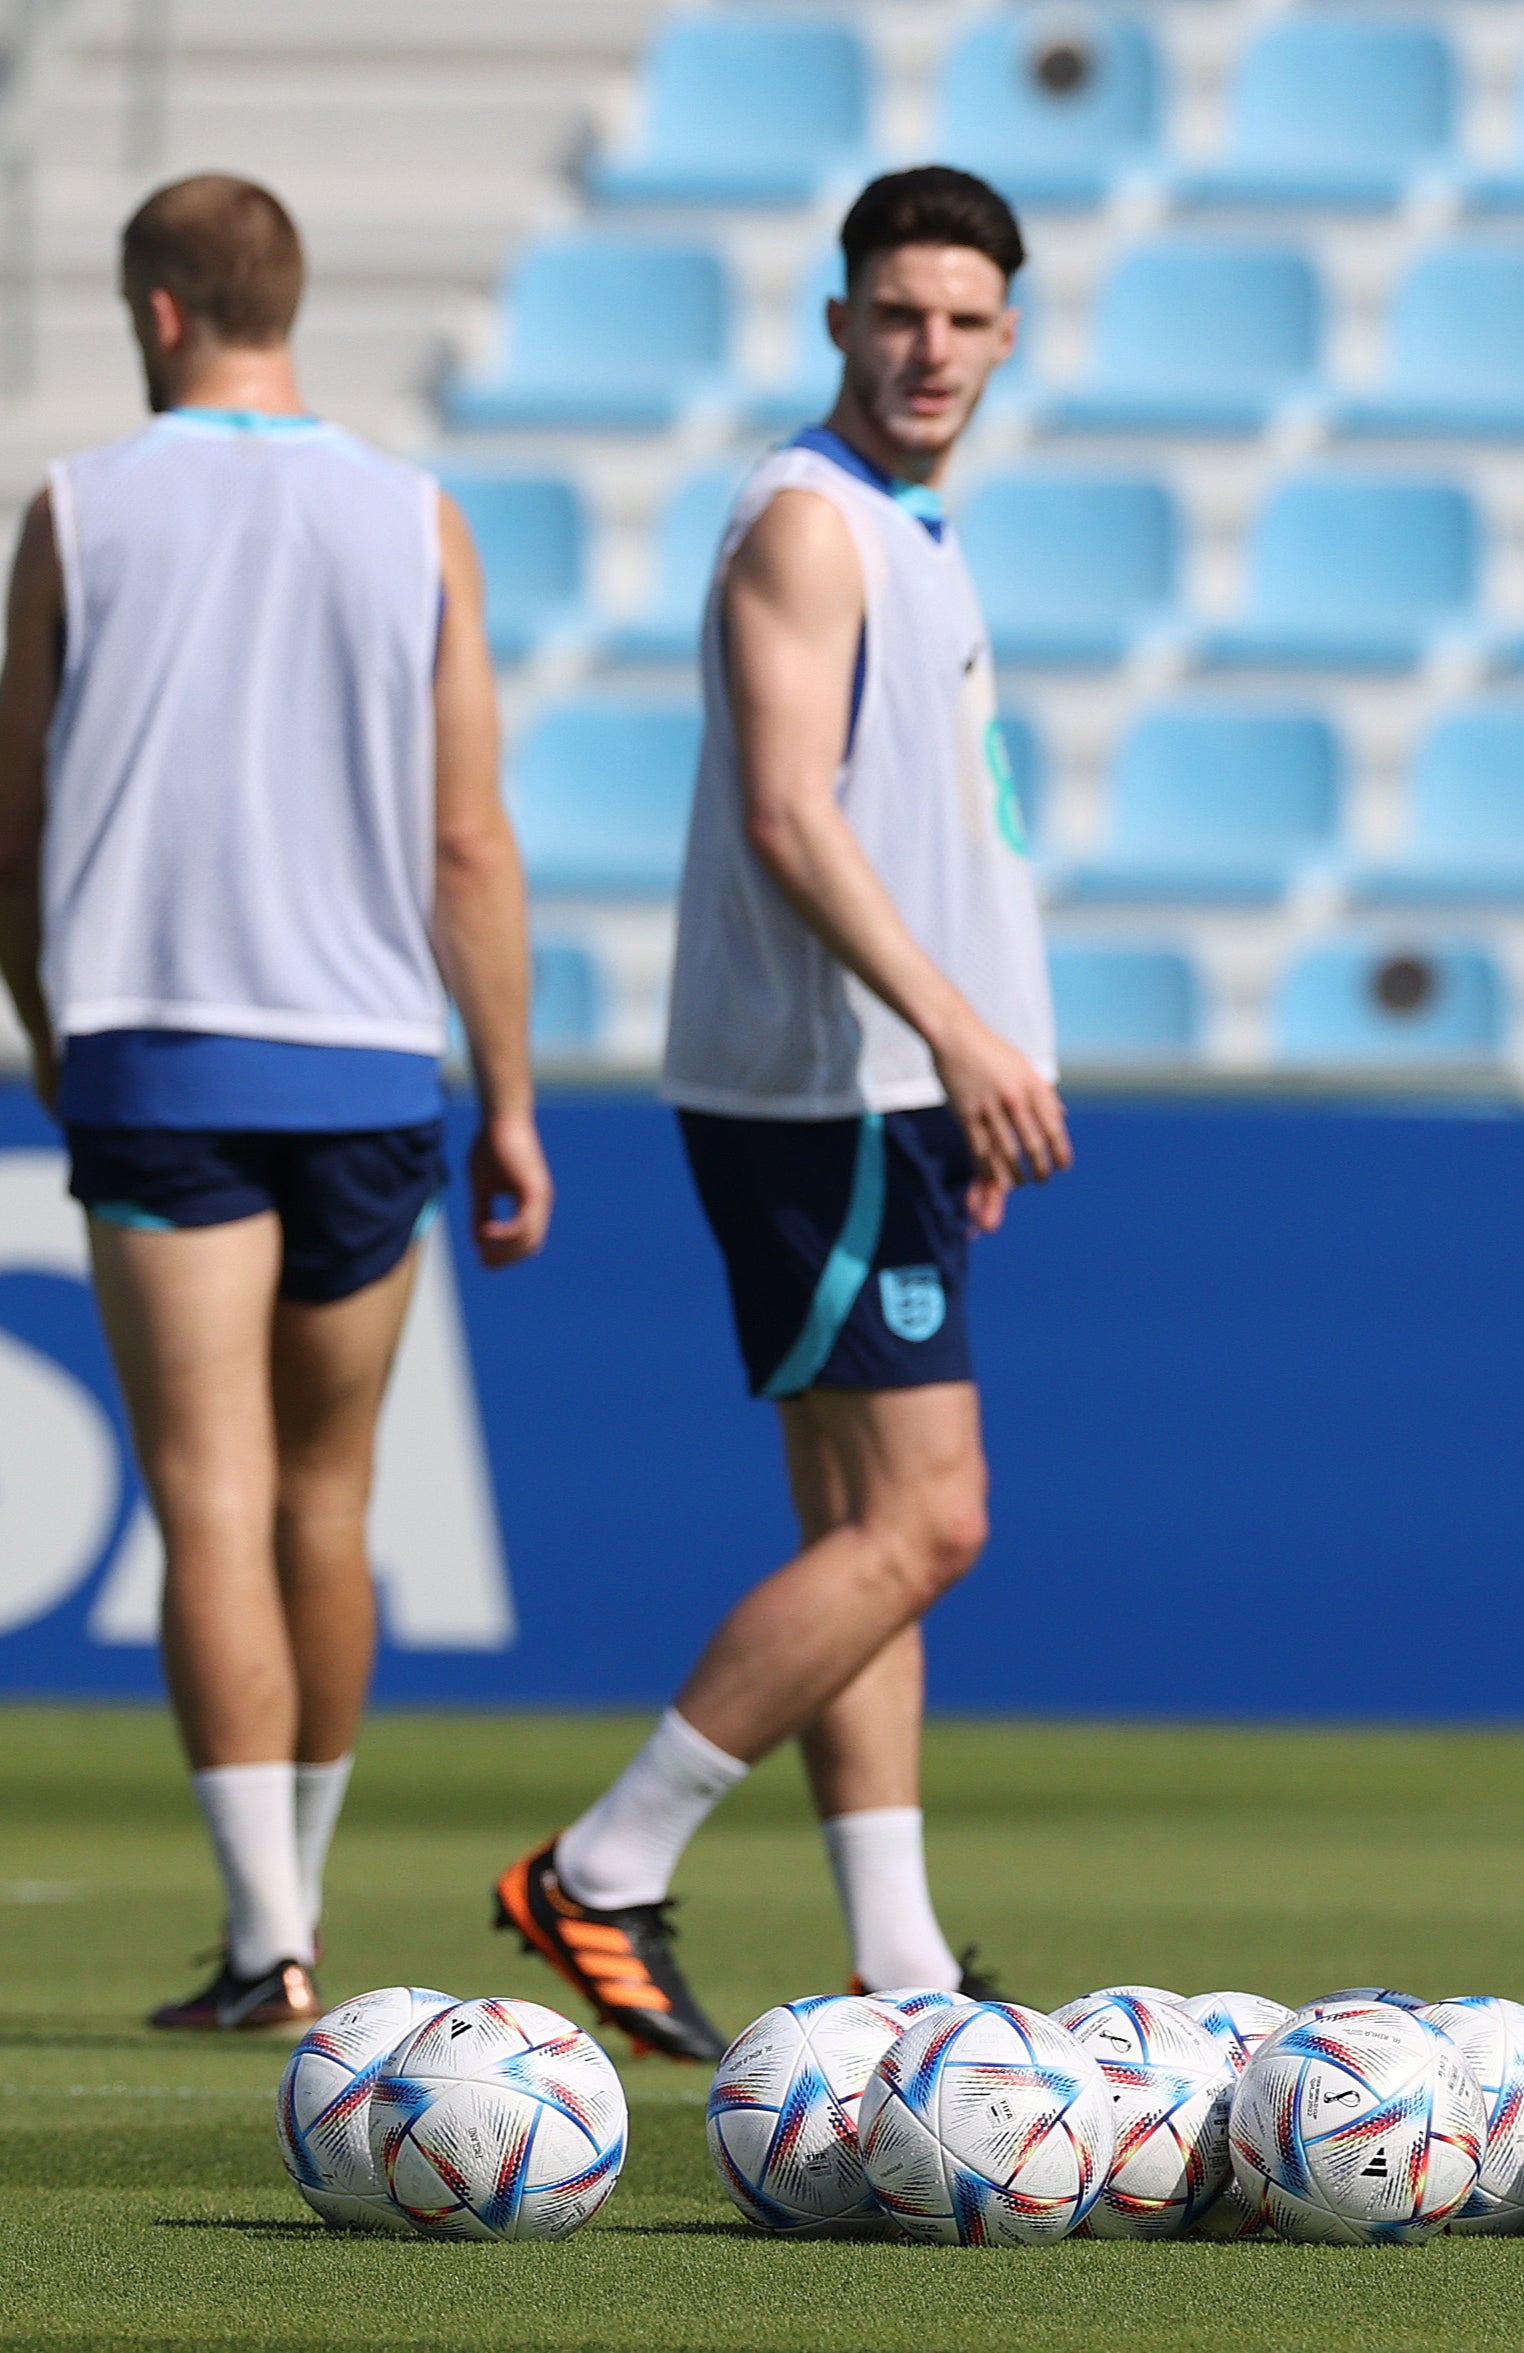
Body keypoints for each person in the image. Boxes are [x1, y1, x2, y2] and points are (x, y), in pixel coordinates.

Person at [495, 167, 1064, 2064]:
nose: (931, 348)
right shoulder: (809, 525)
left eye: (965, 318)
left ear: (1005, 333)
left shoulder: (914, 528)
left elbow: (945, 821)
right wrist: (963, 1038)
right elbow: (789, 814)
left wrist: (991, 1055)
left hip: (888, 1083)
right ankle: (604, 1860)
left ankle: (899, 1964)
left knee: (859, 1524)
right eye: (899, 311)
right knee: (934, 1518)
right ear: (838, 320)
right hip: (827, 1083)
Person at [0, 176, 551, 2033]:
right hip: (372, 1056)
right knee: (331, 1496)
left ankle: (267, 1937)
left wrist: (54, 1031)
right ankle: (301, 1896)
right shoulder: (416, 519)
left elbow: (10, 835)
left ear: (159, 312)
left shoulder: (77, 509)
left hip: (160, 1038)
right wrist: (513, 1098)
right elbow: (469, 839)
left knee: (208, 1496)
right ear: (282, 303)